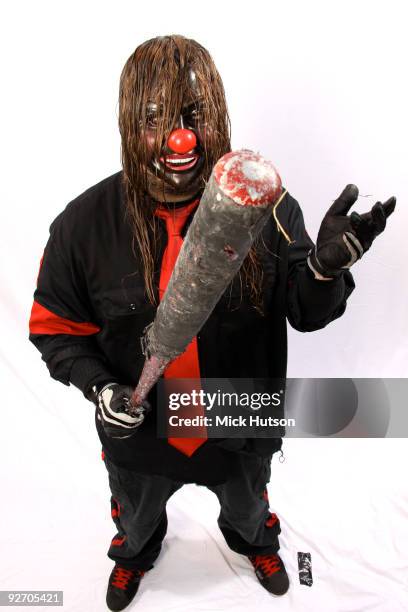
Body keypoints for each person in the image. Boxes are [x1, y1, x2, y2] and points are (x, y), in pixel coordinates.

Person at [28, 35, 396, 611]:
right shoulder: (82, 225)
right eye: (156, 118)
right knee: (136, 512)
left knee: (249, 505)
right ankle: (134, 554)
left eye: (195, 115)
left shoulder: (268, 206)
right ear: (129, 120)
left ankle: (255, 541)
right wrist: (102, 388)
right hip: (141, 426)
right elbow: (54, 329)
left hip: (239, 415)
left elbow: (305, 313)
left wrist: (323, 272)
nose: (182, 138)